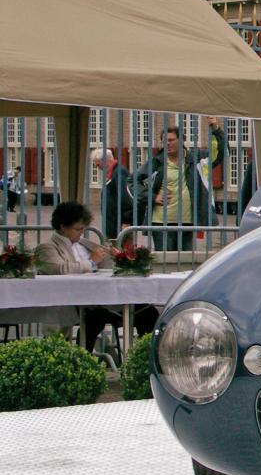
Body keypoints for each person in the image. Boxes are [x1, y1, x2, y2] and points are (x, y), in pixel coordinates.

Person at [33, 201, 156, 349]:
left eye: (82, 229)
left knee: (147, 311)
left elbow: (109, 267)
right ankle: (84, 355)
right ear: (62, 227)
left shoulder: (85, 244)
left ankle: (147, 353)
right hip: (73, 303)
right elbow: (62, 269)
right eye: (77, 229)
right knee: (94, 317)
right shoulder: (47, 248)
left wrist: (118, 257)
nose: (81, 233)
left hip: (100, 299)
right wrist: (91, 262)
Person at [144, 124, 224, 252]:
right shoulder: (156, 162)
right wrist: (153, 197)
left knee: (186, 263)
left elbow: (221, 152)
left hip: (188, 223)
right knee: (165, 263)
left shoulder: (197, 159)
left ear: (181, 140)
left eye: (170, 140)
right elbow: (133, 182)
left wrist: (215, 129)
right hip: (161, 224)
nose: (167, 144)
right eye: (164, 141)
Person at [91, 148, 139, 242]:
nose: (97, 166)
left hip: (119, 226)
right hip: (113, 225)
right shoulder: (113, 173)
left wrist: (127, 221)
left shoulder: (119, 173)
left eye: (97, 163)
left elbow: (126, 198)